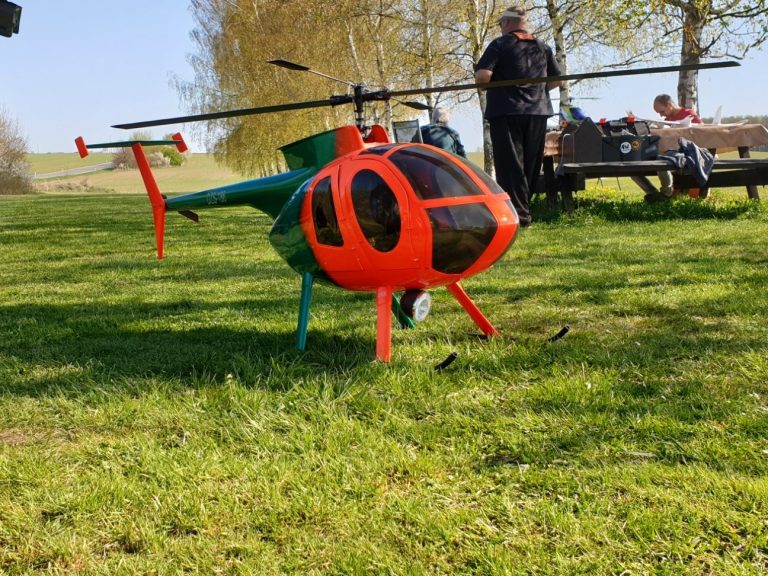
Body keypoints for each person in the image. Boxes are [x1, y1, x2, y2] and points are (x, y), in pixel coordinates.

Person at [474, 6, 561, 228]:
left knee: (510, 164)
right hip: (537, 111)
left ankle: (518, 216)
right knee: (531, 165)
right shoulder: (542, 47)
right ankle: (523, 211)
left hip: (507, 111)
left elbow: (483, 76)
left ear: (506, 23)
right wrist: (535, 90)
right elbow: (556, 80)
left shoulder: (500, 44)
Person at [652, 94, 702, 199]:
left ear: (670, 105)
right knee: (658, 160)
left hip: (687, 153)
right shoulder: (667, 119)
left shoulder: (688, 114)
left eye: (662, 111)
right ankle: (666, 192)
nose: (661, 115)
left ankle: (666, 193)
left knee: (661, 161)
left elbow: (702, 132)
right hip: (671, 154)